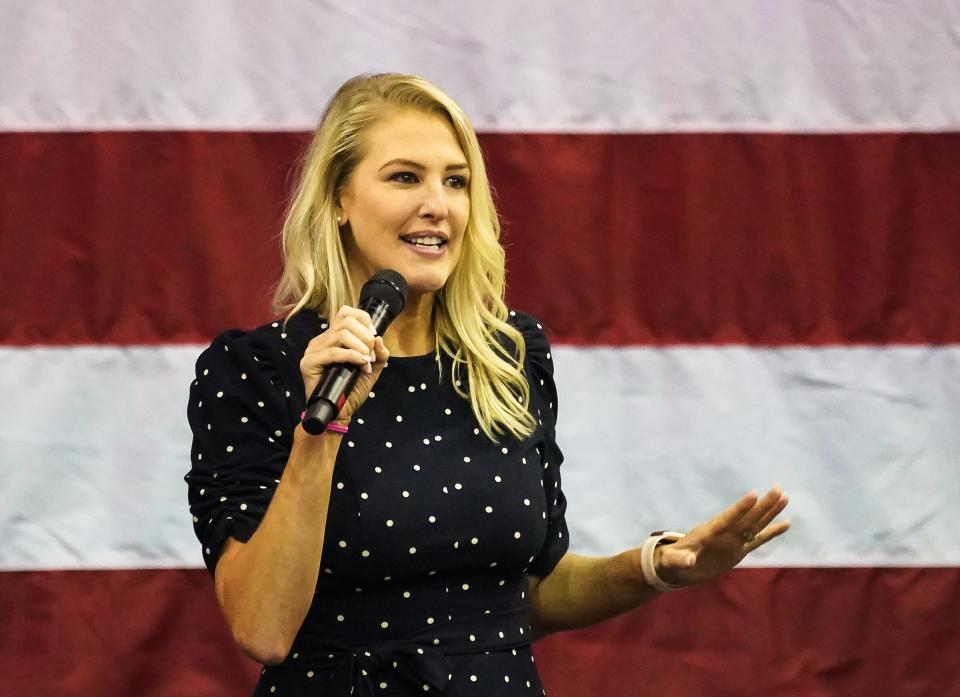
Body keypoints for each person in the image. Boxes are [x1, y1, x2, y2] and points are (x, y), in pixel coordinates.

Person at [185, 73, 790, 696]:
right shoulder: (256, 369)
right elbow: (262, 628)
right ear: (339, 199)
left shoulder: (508, 355)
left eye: (455, 180)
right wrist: (323, 429)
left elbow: (530, 591)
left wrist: (658, 566)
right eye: (404, 177)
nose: (436, 205)